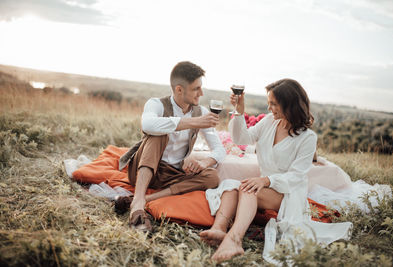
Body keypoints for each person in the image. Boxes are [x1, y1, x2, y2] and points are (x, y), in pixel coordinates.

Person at [200, 79, 352, 262]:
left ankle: (234, 240)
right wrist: (239, 112)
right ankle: (219, 228)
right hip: (267, 187)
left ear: (290, 105)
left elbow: (296, 176)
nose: (269, 107)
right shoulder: (270, 122)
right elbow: (242, 137)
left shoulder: (308, 138)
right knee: (231, 185)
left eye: (274, 104)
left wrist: (265, 181)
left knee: (248, 189)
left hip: (288, 193)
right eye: (269, 102)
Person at [116, 61, 226, 231]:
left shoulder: (201, 113)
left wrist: (204, 163)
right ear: (179, 89)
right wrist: (194, 122)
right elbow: (148, 125)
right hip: (144, 170)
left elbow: (219, 150)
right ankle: (137, 205)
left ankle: (145, 199)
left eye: (201, 88)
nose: (201, 93)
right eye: (196, 89)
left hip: (173, 176)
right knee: (157, 134)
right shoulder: (156, 104)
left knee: (212, 177)